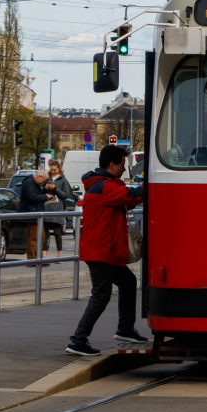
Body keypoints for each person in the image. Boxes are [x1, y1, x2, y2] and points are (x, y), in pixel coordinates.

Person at [66, 145, 145, 357]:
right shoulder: (104, 187)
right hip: (100, 250)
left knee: (128, 283)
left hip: (104, 249)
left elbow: (125, 198)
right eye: (122, 164)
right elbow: (131, 194)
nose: (124, 169)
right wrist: (151, 187)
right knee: (101, 295)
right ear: (112, 164)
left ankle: (125, 330)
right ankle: (77, 340)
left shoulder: (102, 185)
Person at [18, 169, 56, 258]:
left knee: (41, 237)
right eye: (43, 181)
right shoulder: (29, 183)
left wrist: (44, 194)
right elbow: (32, 197)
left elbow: (35, 195)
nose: (42, 183)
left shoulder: (33, 183)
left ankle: (38, 256)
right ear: (39, 176)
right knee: (33, 238)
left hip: (36, 213)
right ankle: (32, 258)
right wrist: (45, 196)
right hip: (32, 213)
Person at [44, 161, 77, 257]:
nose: (53, 172)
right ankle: (44, 254)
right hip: (46, 207)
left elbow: (65, 195)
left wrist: (55, 188)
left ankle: (59, 253)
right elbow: (41, 191)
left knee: (57, 231)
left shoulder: (63, 180)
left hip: (57, 208)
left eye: (55, 170)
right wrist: (45, 188)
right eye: (51, 169)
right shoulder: (47, 177)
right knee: (45, 232)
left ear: (59, 169)